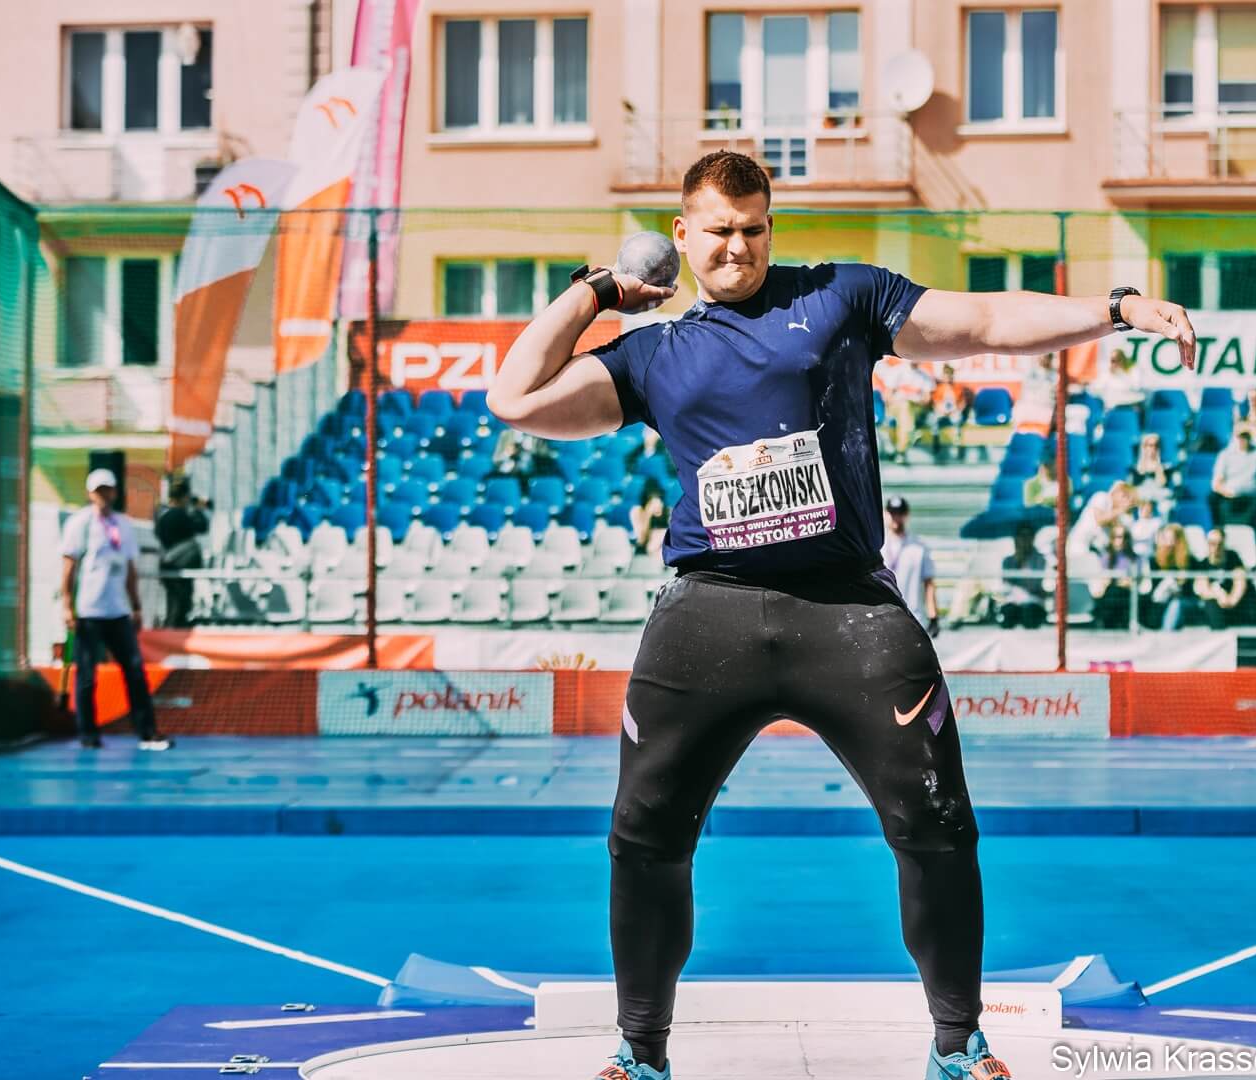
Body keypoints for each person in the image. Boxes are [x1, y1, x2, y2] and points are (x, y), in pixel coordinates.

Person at [489, 149, 1195, 1080]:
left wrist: (1117, 308)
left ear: (770, 226)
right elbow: (514, 398)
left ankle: (958, 1044)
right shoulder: (653, 355)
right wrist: (595, 293)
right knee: (643, 838)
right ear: (682, 236)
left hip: (850, 614)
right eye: (718, 231)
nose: (738, 247)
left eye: (753, 229)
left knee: (939, 825)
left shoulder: (839, 297)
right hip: (708, 615)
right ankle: (641, 1052)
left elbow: (986, 319)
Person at [60, 469, 172, 751]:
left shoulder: (123, 524)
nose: (103, 495)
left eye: (107, 489)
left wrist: (136, 605)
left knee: (134, 671)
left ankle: (147, 732)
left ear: (114, 492)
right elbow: (69, 567)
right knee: (87, 676)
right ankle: (88, 734)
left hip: (118, 611)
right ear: (90, 493)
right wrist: (67, 606)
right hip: (89, 611)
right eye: (98, 490)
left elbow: (129, 568)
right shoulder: (80, 524)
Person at [153, 480, 210, 629]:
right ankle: (174, 634)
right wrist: (198, 509)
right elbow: (202, 526)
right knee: (180, 608)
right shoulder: (181, 515)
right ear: (185, 496)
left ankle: (170, 631)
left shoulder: (161, 514)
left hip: (166, 565)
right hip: (181, 567)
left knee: (171, 605)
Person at [881, 496, 940, 635]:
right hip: (884, 619)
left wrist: (933, 616)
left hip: (914, 619)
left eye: (900, 513)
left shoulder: (919, 547)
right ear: (885, 514)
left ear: (907, 515)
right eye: (893, 513)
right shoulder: (879, 546)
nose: (896, 518)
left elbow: (929, 583)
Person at [1194, 527, 1256, 629]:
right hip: (1220, 603)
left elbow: (1240, 583)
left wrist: (1231, 600)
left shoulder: (1233, 557)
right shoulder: (1203, 563)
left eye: (1219, 544)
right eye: (1212, 543)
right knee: (1210, 603)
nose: (1216, 547)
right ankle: (1219, 633)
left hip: (1237, 602)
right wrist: (1219, 594)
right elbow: (1203, 589)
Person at [1138, 523, 1199, 631]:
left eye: (1170, 538)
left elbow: (1190, 590)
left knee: (1175, 604)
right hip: (1160, 601)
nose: (1166, 542)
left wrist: (1176, 589)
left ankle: (1166, 634)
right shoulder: (1154, 561)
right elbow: (1152, 591)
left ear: (1179, 540)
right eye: (1164, 538)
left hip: (1183, 601)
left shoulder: (1190, 561)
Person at [875, 354, 934, 463]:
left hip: (916, 408)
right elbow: (887, 397)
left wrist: (912, 400)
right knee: (905, 408)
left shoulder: (925, 375)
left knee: (907, 410)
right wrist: (903, 399)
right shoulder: (897, 371)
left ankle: (902, 448)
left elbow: (927, 400)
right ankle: (904, 446)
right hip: (897, 407)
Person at [1211, 428, 1256, 532]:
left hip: (1251, 499)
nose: (1243, 440)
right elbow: (1216, 484)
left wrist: (1251, 429)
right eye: (1241, 437)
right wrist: (1228, 493)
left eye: (1246, 437)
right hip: (1230, 498)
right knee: (1213, 499)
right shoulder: (1225, 455)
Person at [997, 523, 1050, 629]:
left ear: (1033, 538)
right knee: (1008, 615)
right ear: (1016, 539)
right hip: (1013, 602)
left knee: (1029, 614)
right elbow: (1006, 584)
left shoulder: (1040, 559)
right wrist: (1018, 561)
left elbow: (1035, 584)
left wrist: (1026, 563)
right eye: (1021, 536)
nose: (1025, 539)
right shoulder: (1008, 561)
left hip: (1033, 603)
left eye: (1028, 535)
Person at [1094, 521, 1138, 629]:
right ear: (1112, 539)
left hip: (1126, 594)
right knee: (1111, 591)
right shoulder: (1105, 557)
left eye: (1124, 537)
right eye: (1117, 537)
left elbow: (1136, 581)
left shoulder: (1134, 558)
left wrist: (1128, 582)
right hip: (1109, 593)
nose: (1121, 540)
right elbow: (1102, 580)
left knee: (1115, 592)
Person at [925, 364, 971, 461]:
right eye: (946, 375)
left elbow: (962, 403)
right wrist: (940, 410)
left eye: (950, 375)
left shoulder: (958, 388)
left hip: (954, 411)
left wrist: (956, 410)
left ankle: (957, 444)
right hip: (941, 411)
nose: (948, 378)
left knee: (957, 419)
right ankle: (936, 439)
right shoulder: (939, 388)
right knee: (933, 419)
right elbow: (935, 403)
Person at [630, 480, 670, 561]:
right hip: (644, 553)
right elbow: (641, 541)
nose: (658, 506)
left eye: (660, 501)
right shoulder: (637, 511)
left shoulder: (668, 512)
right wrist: (648, 515)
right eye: (652, 503)